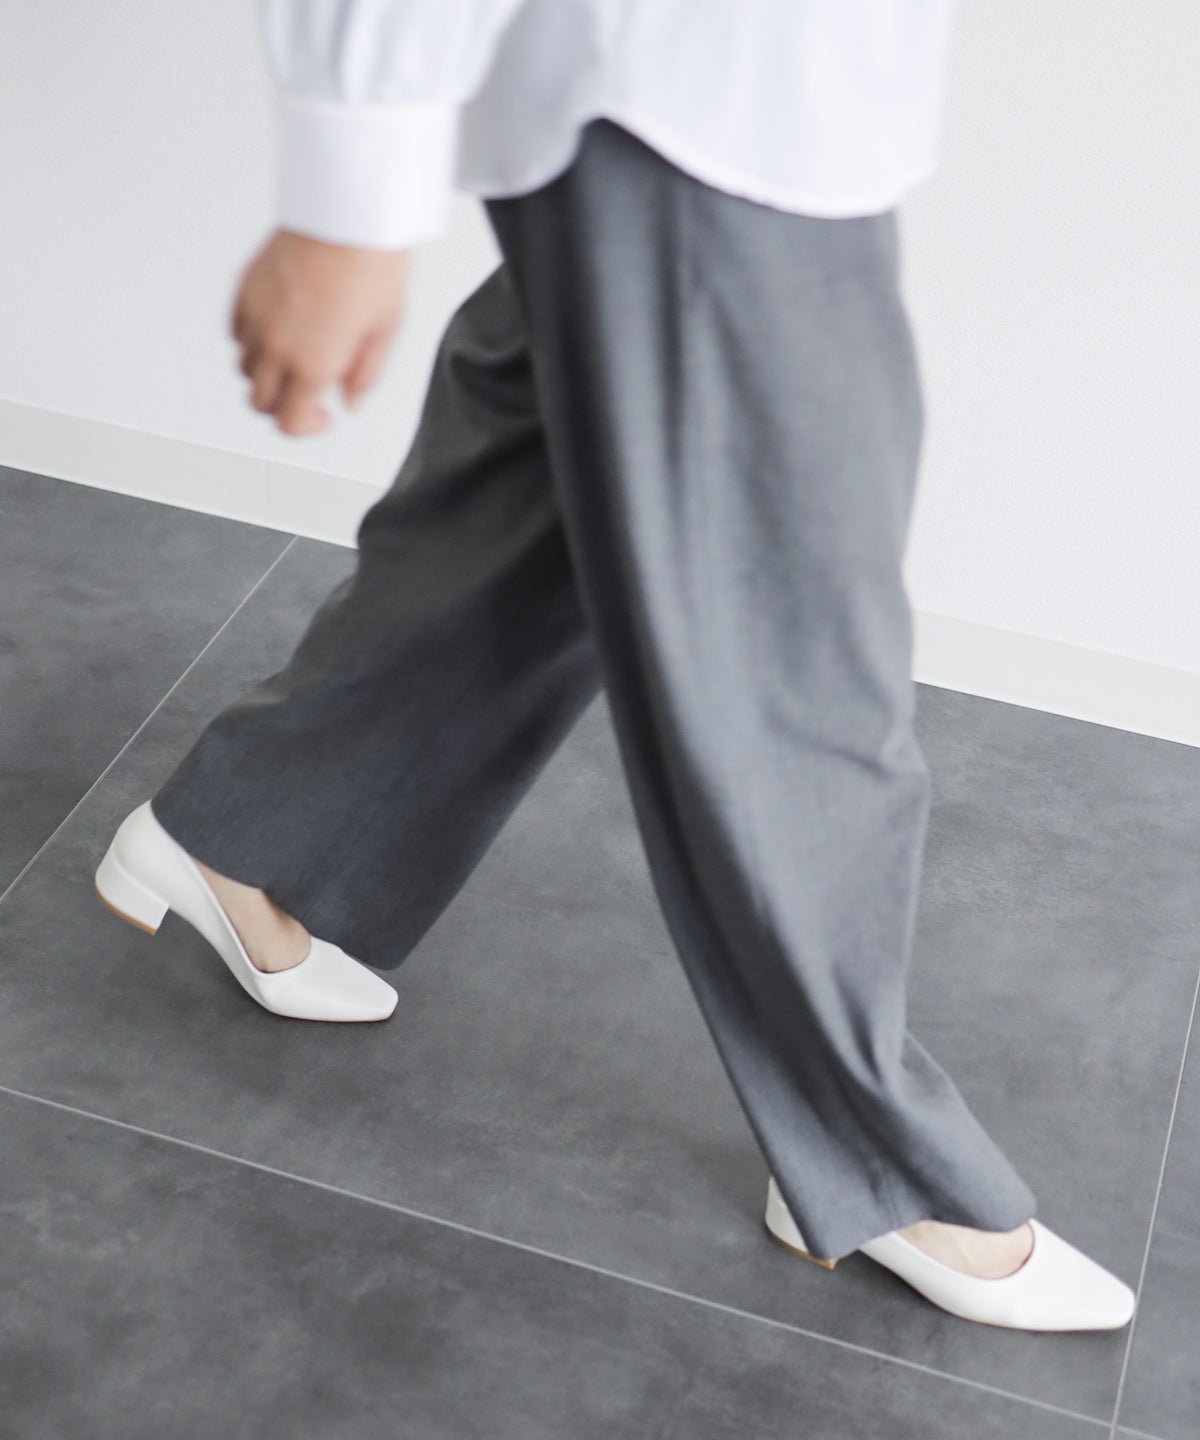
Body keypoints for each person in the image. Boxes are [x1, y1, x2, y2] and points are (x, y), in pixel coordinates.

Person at [93, 0, 1135, 1330]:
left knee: (538, 501)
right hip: (691, 97)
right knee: (789, 648)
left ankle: (250, 830)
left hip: (732, 93)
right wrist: (343, 189)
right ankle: (875, 1157)